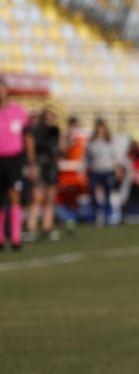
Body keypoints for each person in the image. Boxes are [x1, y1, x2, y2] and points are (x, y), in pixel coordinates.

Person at [0, 79, 35, 250]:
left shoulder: (19, 112)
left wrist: (31, 163)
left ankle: (15, 238)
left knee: (15, 197)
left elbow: (28, 138)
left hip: (14, 160)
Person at [27, 108, 64, 241]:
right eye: (47, 117)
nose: (50, 120)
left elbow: (61, 148)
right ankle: (31, 228)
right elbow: (31, 149)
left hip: (51, 165)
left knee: (50, 198)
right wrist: (32, 166)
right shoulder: (36, 131)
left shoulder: (56, 130)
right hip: (39, 163)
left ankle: (47, 228)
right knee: (37, 197)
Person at [85, 119, 118, 227]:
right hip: (95, 171)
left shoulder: (109, 142)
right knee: (92, 192)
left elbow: (114, 158)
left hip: (107, 171)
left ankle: (108, 215)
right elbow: (87, 158)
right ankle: (97, 213)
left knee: (107, 194)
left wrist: (117, 170)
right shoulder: (92, 143)